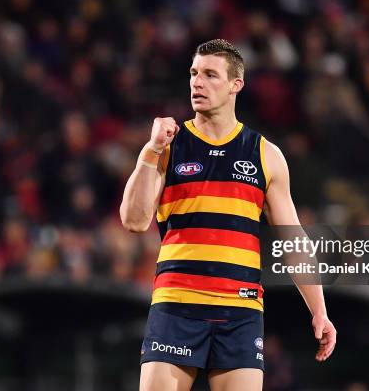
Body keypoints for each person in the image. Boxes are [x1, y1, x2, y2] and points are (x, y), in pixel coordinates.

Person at [120, 39, 336, 391]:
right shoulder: (169, 145)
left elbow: (293, 239)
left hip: (241, 311)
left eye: (209, 74)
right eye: (193, 73)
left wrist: (319, 310)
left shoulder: (265, 155)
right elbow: (133, 220)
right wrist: (151, 149)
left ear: (236, 84)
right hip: (177, 306)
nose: (197, 82)